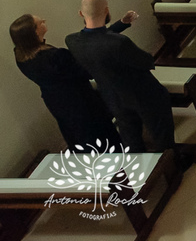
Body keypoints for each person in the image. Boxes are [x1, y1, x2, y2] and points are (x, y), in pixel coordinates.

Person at [66, 0, 175, 153]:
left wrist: (121, 24)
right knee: (160, 132)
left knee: (130, 136)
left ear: (81, 13)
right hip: (142, 93)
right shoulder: (119, 43)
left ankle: (140, 168)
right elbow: (146, 62)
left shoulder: (72, 41)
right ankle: (173, 165)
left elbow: (96, 39)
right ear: (107, 11)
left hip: (112, 95)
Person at [10, 13, 120, 149]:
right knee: (101, 133)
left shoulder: (20, 56)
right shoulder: (55, 56)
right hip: (80, 100)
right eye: (40, 22)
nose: (44, 20)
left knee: (79, 136)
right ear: (35, 32)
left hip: (56, 102)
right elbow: (84, 72)